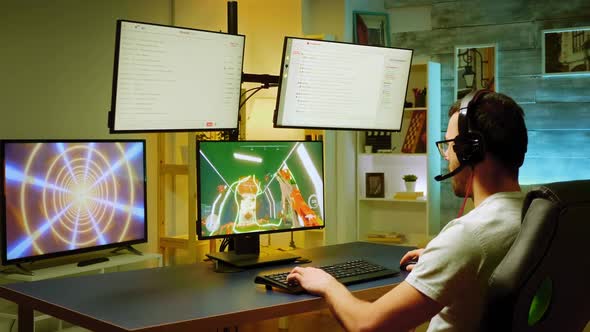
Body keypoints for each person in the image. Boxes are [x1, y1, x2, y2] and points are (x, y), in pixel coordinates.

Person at [287, 90, 528, 332]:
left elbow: (366, 325)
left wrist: (327, 283)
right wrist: (444, 259)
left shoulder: (468, 236)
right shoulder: (536, 215)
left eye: (450, 146)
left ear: (470, 151)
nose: (446, 156)